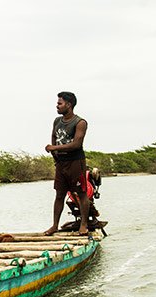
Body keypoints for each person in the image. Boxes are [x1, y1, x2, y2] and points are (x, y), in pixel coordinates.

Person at [44, 91, 90, 236]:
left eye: (60, 103)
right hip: (61, 163)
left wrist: (54, 148)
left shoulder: (80, 122)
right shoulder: (57, 121)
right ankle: (54, 225)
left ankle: (83, 224)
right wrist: (55, 156)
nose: (57, 106)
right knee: (59, 194)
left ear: (68, 105)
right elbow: (54, 137)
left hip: (76, 162)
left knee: (81, 193)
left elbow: (76, 144)